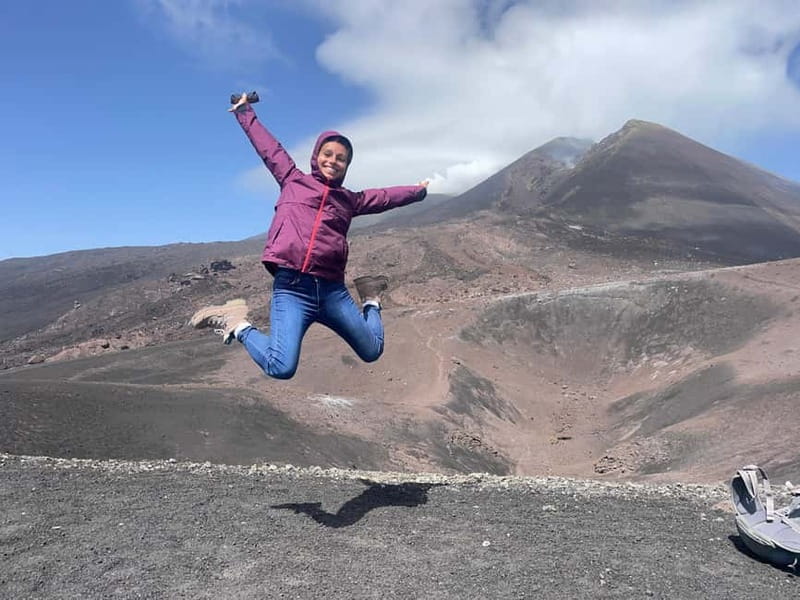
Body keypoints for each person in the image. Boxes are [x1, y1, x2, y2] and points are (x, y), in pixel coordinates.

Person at [190, 92, 429, 380]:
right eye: (328, 154)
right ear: (316, 156)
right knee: (281, 366)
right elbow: (269, 149)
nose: (333, 161)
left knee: (372, 350)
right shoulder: (292, 180)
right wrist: (244, 112)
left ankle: (370, 298)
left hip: (332, 291)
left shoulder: (350, 200)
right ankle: (237, 324)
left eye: (341, 158)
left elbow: (384, 197)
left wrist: (418, 192)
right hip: (292, 289)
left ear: (347, 166)